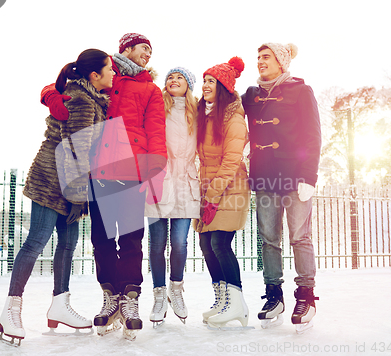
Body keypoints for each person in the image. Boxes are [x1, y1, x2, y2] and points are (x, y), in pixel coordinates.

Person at [40, 33, 167, 340]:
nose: (148, 54)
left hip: (133, 168)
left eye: (151, 51)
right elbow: (63, 83)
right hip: (98, 169)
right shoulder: (105, 75)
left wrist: (155, 177)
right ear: (126, 48)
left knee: (132, 238)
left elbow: (157, 134)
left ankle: (130, 298)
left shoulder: (150, 89)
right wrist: (51, 95)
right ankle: (110, 296)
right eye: (143, 48)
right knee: (102, 238)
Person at [0, 48, 114, 346]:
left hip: (68, 181)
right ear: (94, 75)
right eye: (109, 69)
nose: (113, 73)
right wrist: (79, 197)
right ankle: (11, 309)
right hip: (52, 179)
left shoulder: (92, 97)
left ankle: (60, 303)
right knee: (37, 240)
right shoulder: (84, 100)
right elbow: (75, 150)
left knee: (67, 244)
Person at [241, 42, 321, 333]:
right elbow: (229, 114)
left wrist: (309, 177)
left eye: (266, 57)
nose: (260, 61)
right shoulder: (251, 94)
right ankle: (274, 295)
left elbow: (313, 135)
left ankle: (306, 297)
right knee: (269, 239)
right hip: (263, 175)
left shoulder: (301, 91)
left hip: (295, 175)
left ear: (282, 62)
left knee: (300, 237)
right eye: (258, 57)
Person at [193, 57, 251, 329]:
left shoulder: (233, 117)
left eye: (211, 81)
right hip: (210, 189)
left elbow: (230, 161)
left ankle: (237, 303)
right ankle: (222, 299)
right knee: (206, 245)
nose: (205, 86)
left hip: (230, 187)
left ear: (224, 87)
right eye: (204, 80)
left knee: (220, 244)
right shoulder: (204, 115)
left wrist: (213, 195)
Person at [145, 67, 200, 327]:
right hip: (159, 181)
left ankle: (175, 290)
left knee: (179, 243)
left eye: (180, 78)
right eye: (170, 77)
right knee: (157, 245)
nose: (173, 80)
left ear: (189, 85)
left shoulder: (197, 112)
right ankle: (158, 294)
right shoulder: (157, 107)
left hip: (187, 183)